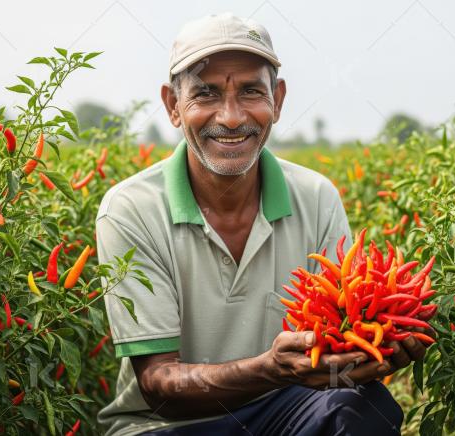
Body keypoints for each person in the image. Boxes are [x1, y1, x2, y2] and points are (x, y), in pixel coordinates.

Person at [95, 12, 429, 435]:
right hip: (163, 427)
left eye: (251, 91)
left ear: (278, 99)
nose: (232, 117)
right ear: (173, 106)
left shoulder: (316, 197)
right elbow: (159, 386)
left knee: (364, 406)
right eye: (206, 94)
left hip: (283, 413)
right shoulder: (131, 209)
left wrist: (368, 355)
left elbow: (336, 343)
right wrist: (269, 369)